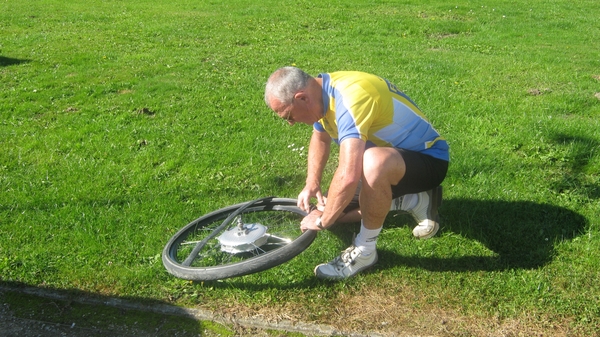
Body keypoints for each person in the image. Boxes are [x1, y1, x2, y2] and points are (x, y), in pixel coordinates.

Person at [264, 67, 449, 280]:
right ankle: (412, 201)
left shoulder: (351, 97)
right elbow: (320, 137)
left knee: (371, 164)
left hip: (430, 162)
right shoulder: (321, 94)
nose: (290, 123)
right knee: (336, 211)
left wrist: (322, 222)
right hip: (394, 161)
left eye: (288, 115)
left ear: (302, 98)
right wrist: (312, 182)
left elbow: (349, 174)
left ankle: (365, 251)